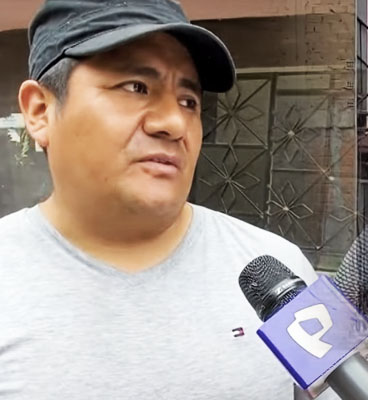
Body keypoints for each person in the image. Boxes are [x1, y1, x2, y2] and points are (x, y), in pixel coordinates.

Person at [0, 1, 340, 398]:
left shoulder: (282, 271)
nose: (174, 123)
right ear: (40, 111)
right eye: (136, 87)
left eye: (188, 101)